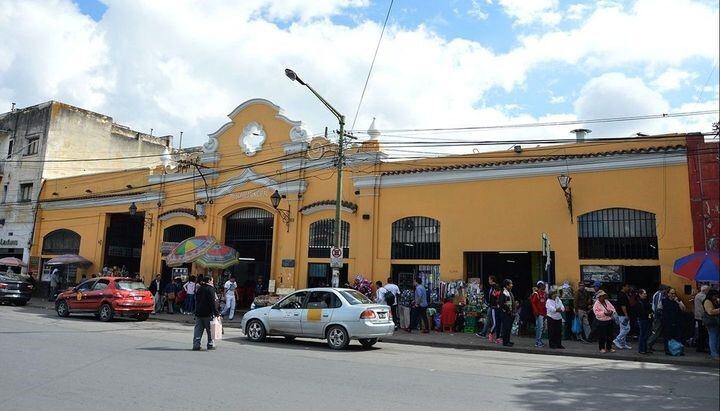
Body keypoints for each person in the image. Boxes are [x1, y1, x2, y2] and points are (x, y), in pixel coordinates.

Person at [193, 275, 220, 351]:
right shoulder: (210, 289)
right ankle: (210, 344)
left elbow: (197, 301)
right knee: (210, 330)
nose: (213, 282)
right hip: (208, 313)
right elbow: (213, 302)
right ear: (209, 281)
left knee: (198, 330)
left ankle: (196, 345)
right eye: (212, 280)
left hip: (198, 313)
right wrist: (217, 313)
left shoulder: (200, 289)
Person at [661, 288, 684, 355]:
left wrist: (678, 302)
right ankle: (668, 350)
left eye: (674, 293)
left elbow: (683, 309)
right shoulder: (664, 301)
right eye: (672, 293)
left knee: (678, 337)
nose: (673, 295)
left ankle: (678, 350)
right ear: (668, 294)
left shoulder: (677, 301)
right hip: (667, 322)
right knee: (667, 338)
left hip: (677, 322)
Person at [647, 285, 668, 353]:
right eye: (666, 289)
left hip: (657, 316)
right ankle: (648, 344)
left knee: (657, 331)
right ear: (663, 289)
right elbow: (656, 306)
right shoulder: (659, 295)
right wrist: (656, 316)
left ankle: (649, 345)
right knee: (656, 331)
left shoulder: (657, 294)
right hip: (657, 316)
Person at [702, 289, 720, 360]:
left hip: (715, 322)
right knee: (713, 337)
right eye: (715, 296)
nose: (716, 297)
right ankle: (714, 353)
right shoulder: (707, 301)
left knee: (716, 337)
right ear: (711, 295)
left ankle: (716, 352)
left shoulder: (714, 301)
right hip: (711, 322)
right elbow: (710, 312)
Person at [614, 283, 632, 350]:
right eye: (627, 286)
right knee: (626, 328)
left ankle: (623, 343)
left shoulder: (624, 294)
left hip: (622, 314)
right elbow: (623, 306)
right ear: (623, 287)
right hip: (622, 315)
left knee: (622, 329)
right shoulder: (622, 295)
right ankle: (617, 339)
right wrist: (626, 315)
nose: (628, 288)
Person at [498, 279, 515, 347]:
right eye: (510, 284)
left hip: (509, 313)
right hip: (505, 313)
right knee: (506, 328)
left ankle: (508, 341)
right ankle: (505, 342)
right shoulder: (503, 293)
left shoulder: (509, 292)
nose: (512, 285)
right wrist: (508, 310)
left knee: (509, 328)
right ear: (507, 285)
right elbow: (502, 303)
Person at [530, 281, 548, 348]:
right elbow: (533, 303)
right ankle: (538, 342)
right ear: (540, 286)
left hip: (543, 313)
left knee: (540, 328)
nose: (545, 287)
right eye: (543, 286)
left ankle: (539, 340)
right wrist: (536, 312)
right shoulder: (536, 294)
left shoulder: (544, 293)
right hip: (539, 313)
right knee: (539, 328)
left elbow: (544, 303)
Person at [694, 285, 710, 353]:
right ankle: (701, 347)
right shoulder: (702, 296)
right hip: (701, 317)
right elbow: (707, 302)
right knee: (702, 333)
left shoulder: (698, 295)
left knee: (701, 332)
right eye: (708, 290)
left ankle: (700, 347)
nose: (708, 291)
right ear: (704, 290)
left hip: (698, 316)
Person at [637, 289, 653, 354]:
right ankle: (641, 349)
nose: (645, 295)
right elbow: (640, 312)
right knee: (643, 334)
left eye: (645, 293)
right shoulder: (639, 303)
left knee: (646, 335)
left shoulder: (646, 301)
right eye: (644, 293)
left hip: (647, 319)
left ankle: (645, 348)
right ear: (640, 294)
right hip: (643, 320)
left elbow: (650, 310)